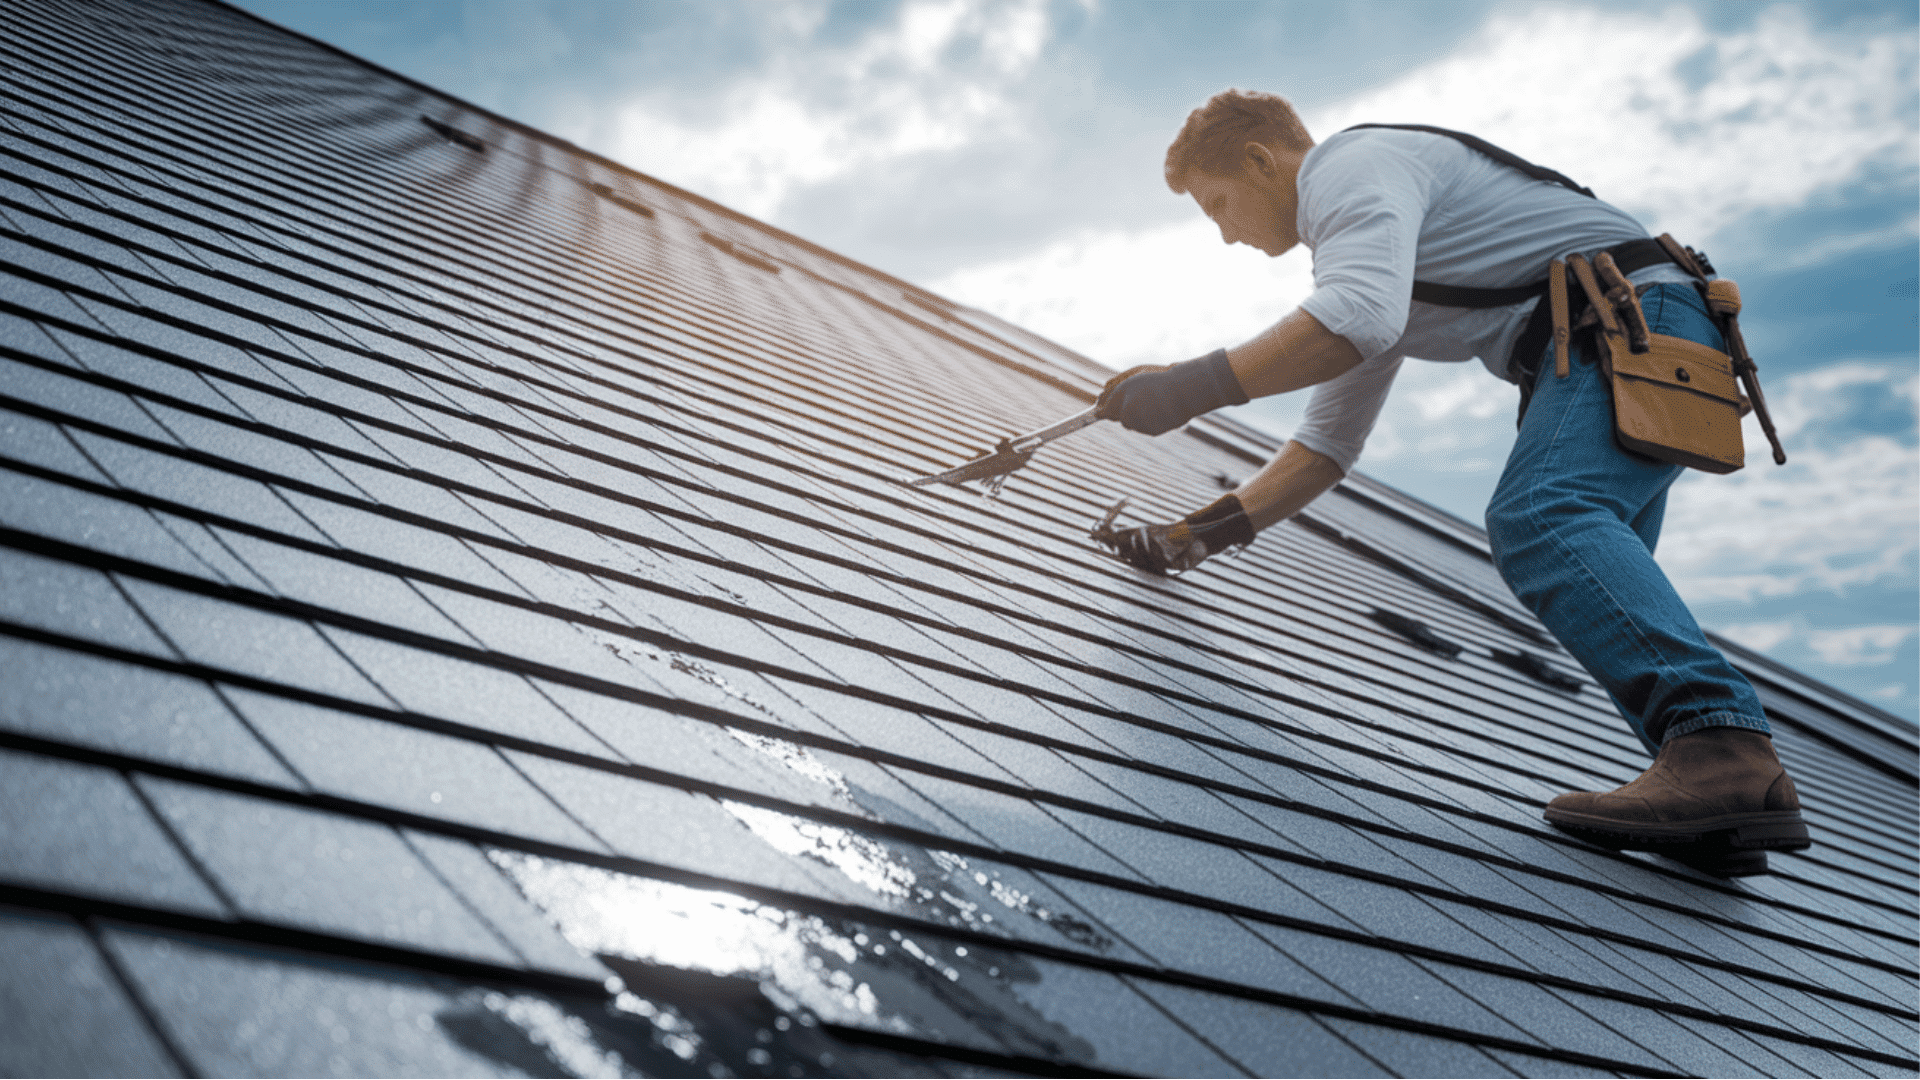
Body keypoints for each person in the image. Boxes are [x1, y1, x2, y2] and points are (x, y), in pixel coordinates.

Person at [1094, 89, 1809, 875]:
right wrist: (1203, 532)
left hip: (1628, 322)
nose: (1225, 235)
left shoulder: (1350, 169)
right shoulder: (1379, 247)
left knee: (1544, 516)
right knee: (1602, 573)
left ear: (1263, 161)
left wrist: (1189, 387)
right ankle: (1719, 803)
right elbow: (1328, 444)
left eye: (1217, 205)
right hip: (1637, 331)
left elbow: (1352, 319)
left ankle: (1722, 754)